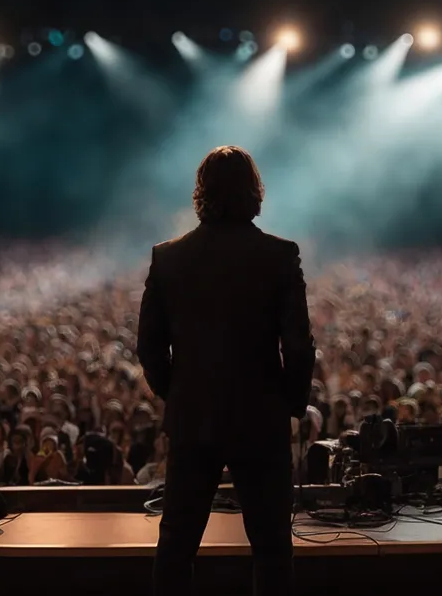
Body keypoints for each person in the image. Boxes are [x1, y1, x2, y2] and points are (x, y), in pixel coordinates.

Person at [138, 146, 316, 596]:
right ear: (255, 191)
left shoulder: (168, 258)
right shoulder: (279, 256)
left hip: (194, 417)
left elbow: (149, 348)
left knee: (177, 544)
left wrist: (178, 393)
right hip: (261, 418)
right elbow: (298, 347)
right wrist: (291, 404)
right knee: (272, 547)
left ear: (201, 192)